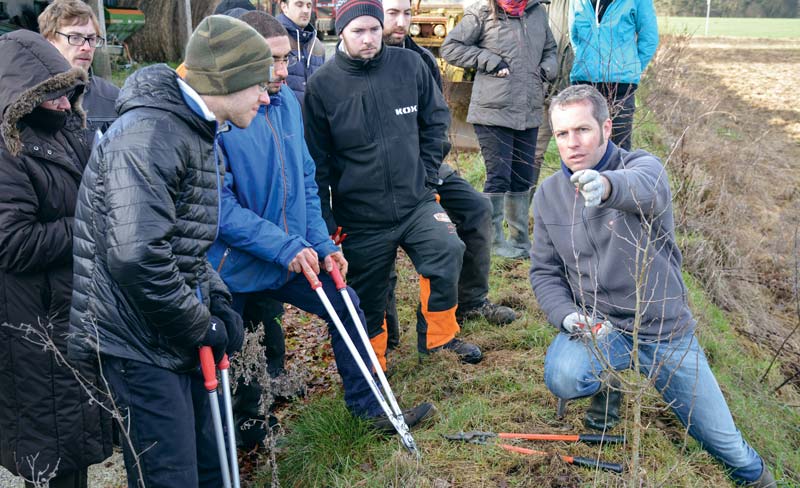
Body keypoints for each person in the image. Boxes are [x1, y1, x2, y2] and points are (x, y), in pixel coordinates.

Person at [207, 10, 434, 447]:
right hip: (232, 267)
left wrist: (322, 243)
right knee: (232, 350)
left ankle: (370, 408)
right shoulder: (218, 116)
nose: (282, 70)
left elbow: (305, 184)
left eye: (286, 58)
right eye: (271, 61)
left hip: (291, 254)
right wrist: (285, 246)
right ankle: (236, 437)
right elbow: (221, 208)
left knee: (345, 302)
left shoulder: (288, 101)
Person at [530, 85, 776, 488]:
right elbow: (544, 272)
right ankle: (609, 387)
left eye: (583, 130)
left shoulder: (643, 167)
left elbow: (647, 186)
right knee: (565, 375)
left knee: (725, 444)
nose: (572, 144)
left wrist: (607, 187)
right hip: (602, 328)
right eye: (562, 134)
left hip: (664, 330)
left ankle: (758, 477)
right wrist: (568, 316)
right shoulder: (548, 195)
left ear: (607, 128)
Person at [68, 16, 271, 487]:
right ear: (227, 80)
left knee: (210, 466)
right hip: (136, 342)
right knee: (170, 477)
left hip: (168, 331)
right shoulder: (151, 134)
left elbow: (182, 243)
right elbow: (136, 257)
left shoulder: (190, 126)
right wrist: (204, 323)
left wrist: (215, 297)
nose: (266, 96)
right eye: (258, 84)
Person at [304, 0, 483, 367]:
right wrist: (325, 221)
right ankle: (374, 364)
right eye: (358, 32)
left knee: (447, 250)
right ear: (342, 31)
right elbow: (316, 163)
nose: (369, 39)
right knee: (367, 294)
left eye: (373, 29)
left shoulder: (410, 66)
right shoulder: (322, 86)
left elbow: (436, 124)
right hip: (361, 216)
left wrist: (427, 175)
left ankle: (438, 339)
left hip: (416, 201)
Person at [0, 29, 112, 488]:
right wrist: (91, 226)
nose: (66, 105)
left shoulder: (67, 132)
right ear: (23, 98)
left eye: (69, 94)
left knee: (74, 440)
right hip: (36, 323)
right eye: (53, 97)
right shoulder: (9, 152)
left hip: (72, 310)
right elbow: (12, 241)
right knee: (53, 452)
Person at [380, 0, 516, 351]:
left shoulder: (421, 60)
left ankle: (470, 301)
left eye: (406, 14)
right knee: (381, 246)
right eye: (392, 14)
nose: (401, 22)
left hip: (426, 166)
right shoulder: (354, 65)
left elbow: (436, 123)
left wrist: (427, 171)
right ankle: (387, 335)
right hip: (378, 180)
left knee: (476, 209)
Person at [441, 0, 557, 259]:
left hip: (528, 109)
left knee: (523, 176)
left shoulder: (537, 12)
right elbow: (450, 48)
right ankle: (493, 241)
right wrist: (487, 59)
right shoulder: (482, 13)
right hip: (492, 111)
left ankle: (520, 240)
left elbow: (550, 49)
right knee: (499, 175)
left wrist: (547, 69)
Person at [569, 0, 659, 150]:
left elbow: (649, 39)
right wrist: (587, 64)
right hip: (583, 85)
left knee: (618, 150)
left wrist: (630, 69)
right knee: (583, 149)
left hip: (620, 88)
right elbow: (575, 37)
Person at [39, 0, 120, 138]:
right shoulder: (26, 98)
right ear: (49, 41)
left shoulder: (114, 100)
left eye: (91, 38)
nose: (87, 47)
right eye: (75, 37)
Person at [532, 0, 571, 184]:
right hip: (543, 90)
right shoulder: (541, 4)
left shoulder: (587, 4)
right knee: (532, 154)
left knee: (579, 155)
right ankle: (519, 211)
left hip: (576, 93)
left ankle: (576, 210)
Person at [278, 0, 326, 106]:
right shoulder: (274, 39)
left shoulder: (318, 46)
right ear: (284, 6)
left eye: (309, 6)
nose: (305, 10)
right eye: (299, 5)